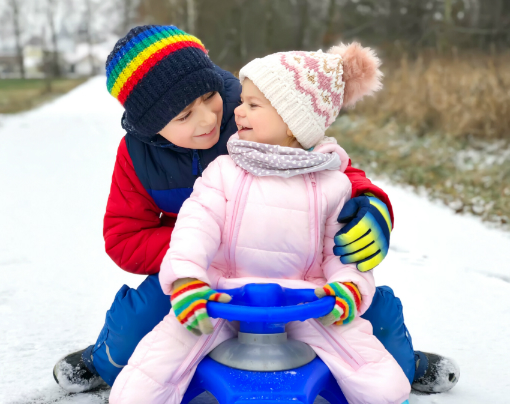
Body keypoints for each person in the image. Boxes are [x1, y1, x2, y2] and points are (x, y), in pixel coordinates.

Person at [52, 25, 459, 396]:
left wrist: (373, 206)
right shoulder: (137, 157)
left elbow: (330, 167)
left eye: (209, 97)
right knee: (142, 321)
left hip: (294, 266)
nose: (209, 118)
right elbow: (124, 237)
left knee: (374, 313)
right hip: (202, 268)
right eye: (183, 116)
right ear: (150, 126)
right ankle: (104, 360)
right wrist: (211, 246)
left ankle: (407, 364)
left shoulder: (254, 110)